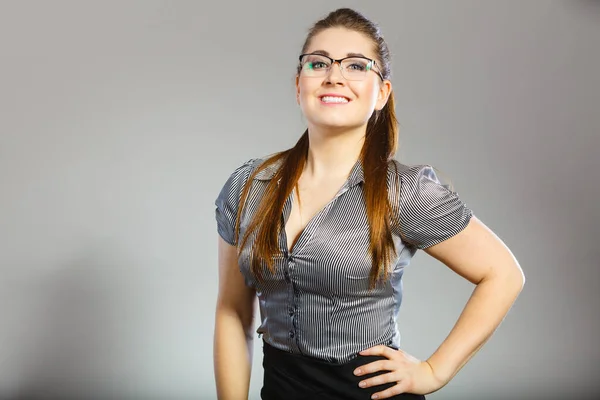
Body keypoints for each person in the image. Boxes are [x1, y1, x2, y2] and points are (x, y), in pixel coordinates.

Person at [213, 7, 524, 400]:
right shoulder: (247, 186)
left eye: (357, 66)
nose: (334, 75)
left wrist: (433, 371)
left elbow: (503, 274)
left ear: (382, 93)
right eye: (318, 63)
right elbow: (233, 313)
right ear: (298, 86)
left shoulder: (404, 191)